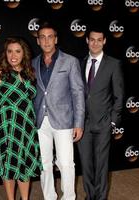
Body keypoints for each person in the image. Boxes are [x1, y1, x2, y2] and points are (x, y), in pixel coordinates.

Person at [32, 21, 85, 200]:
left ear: (56, 39)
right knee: (44, 163)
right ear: (38, 40)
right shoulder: (32, 63)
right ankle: (49, 197)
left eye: (50, 37)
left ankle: (69, 197)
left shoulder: (70, 61)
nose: (46, 41)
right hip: (40, 121)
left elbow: (78, 93)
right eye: (42, 37)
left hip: (63, 120)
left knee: (65, 163)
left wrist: (79, 123)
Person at [0, 37, 42, 200]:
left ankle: (24, 199)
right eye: (10, 51)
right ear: (5, 53)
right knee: (7, 164)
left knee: (23, 162)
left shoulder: (31, 72)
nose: (13, 55)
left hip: (25, 124)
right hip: (4, 125)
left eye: (17, 51)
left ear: (24, 53)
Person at [77, 26, 124, 200]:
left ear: (104, 41)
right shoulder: (80, 63)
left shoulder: (113, 64)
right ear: (87, 40)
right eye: (92, 39)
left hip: (104, 123)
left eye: (99, 40)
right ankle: (90, 196)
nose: (95, 43)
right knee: (86, 165)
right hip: (83, 124)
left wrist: (112, 121)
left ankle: (101, 197)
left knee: (102, 165)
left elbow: (119, 95)